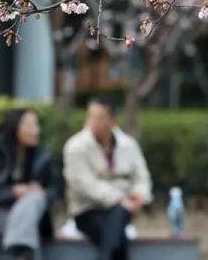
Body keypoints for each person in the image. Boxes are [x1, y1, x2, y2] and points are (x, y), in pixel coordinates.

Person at [63, 97, 152, 260]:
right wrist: (120, 199)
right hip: (88, 210)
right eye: (91, 116)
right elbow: (84, 185)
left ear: (113, 121)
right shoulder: (75, 147)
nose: (93, 122)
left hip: (124, 209)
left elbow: (142, 177)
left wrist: (139, 196)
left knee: (117, 219)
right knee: (117, 234)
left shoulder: (129, 145)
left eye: (100, 117)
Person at [0, 108, 59, 260]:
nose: (36, 130)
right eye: (30, 125)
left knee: (35, 197)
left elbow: (55, 189)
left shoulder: (43, 155)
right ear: (15, 126)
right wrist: (14, 192)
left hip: (34, 215)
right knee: (26, 229)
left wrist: (38, 193)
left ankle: (13, 253)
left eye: (37, 125)